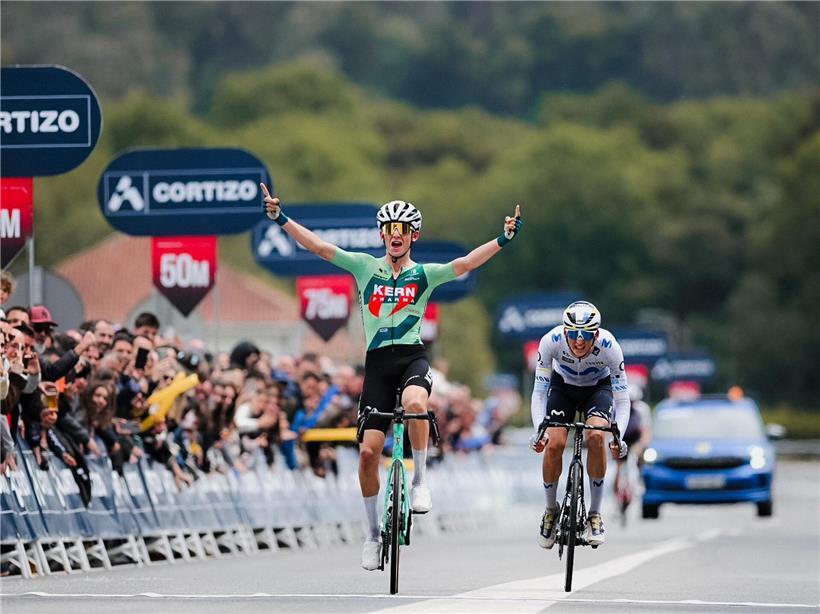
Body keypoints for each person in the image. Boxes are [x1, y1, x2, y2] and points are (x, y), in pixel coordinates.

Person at [261, 183, 523, 570]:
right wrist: (281, 219)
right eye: (389, 229)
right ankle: (371, 535)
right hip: (378, 365)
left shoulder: (424, 274)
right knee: (367, 453)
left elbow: (466, 263)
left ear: (413, 235)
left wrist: (503, 238)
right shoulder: (365, 267)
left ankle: (419, 480)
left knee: (416, 404)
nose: (395, 235)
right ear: (382, 234)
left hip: (412, 358)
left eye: (403, 229)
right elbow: (319, 247)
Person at [529, 301, 629, 549]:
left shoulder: (610, 347)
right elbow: (539, 393)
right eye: (573, 334)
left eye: (586, 335)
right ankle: (551, 510)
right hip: (562, 387)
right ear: (565, 332)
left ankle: (595, 514)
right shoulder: (550, 341)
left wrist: (619, 438)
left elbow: (622, 398)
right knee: (555, 443)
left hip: (598, 389)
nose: (580, 341)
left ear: (596, 334)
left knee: (596, 437)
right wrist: (538, 431)